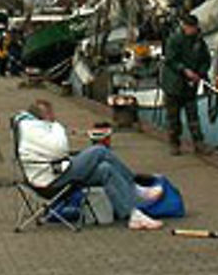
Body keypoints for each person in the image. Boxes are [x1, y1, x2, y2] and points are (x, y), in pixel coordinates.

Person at [15, 98, 164, 230]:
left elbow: (54, 153)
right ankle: (135, 186)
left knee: (105, 169)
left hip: (53, 172)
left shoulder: (32, 127)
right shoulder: (33, 129)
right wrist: (56, 125)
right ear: (44, 116)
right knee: (99, 150)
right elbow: (60, 148)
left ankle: (133, 216)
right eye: (51, 114)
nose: (54, 116)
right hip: (50, 181)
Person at [160, 12, 211, 155]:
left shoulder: (199, 41)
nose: (192, 30)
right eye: (190, 27)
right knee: (173, 117)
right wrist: (184, 70)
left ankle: (198, 143)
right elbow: (170, 59)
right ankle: (174, 143)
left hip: (190, 85)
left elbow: (206, 60)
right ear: (185, 27)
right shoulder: (175, 40)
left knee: (193, 116)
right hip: (174, 83)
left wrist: (200, 73)